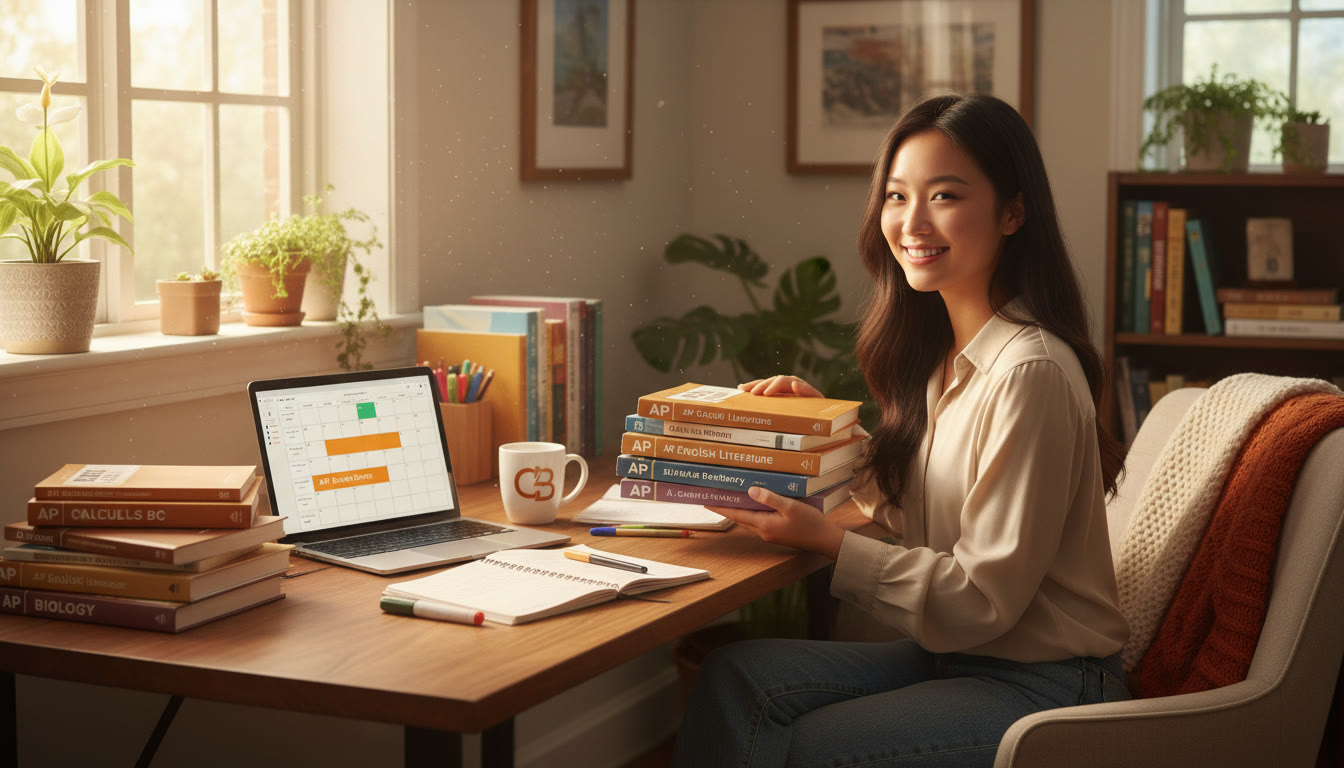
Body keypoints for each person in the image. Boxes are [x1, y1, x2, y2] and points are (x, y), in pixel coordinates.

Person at [671, 93, 1131, 768]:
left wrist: (829, 541)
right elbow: (923, 506)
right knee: (734, 678)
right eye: (896, 196)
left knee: (806, 747)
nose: (912, 222)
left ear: (1013, 212)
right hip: (960, 659)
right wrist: (819, 433)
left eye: (944, 195)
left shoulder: (1027, 373)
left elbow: (980, 599)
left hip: (1044, 684)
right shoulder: (947, 359)